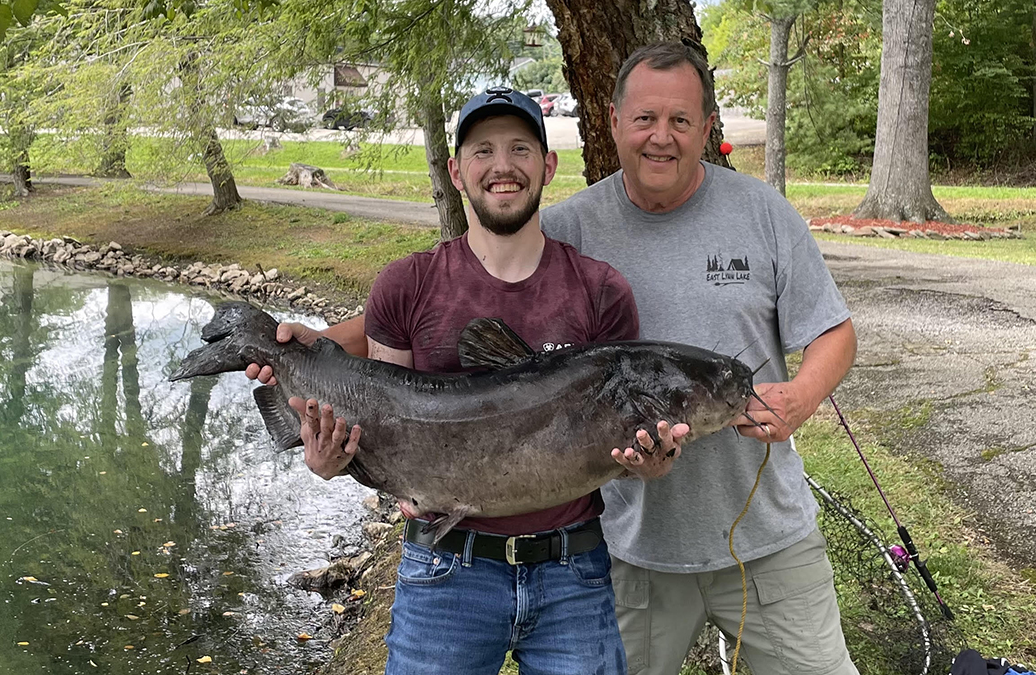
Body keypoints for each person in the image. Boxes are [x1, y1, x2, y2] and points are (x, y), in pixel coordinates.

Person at [246, 87, 667, 674]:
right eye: (483, 150)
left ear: (547, 166)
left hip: (575, 572)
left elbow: (624, 445)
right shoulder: (405, 285)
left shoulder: (602, 291)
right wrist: (329, 457)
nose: (503, 166)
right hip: (444, 571)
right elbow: (385, 426)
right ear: (457, 170)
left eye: (521, 148)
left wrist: (646, 463)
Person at [538, 42, 860, 675]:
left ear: (708, 129)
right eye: (645, 119)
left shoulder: (762, 214)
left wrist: (801, 397)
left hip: (768, 540)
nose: (662, 138)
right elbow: (459, 288)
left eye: (681, 121)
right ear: (611, 122)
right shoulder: (567, 231)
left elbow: (835, 333)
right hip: (630, 549)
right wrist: (328, 340)